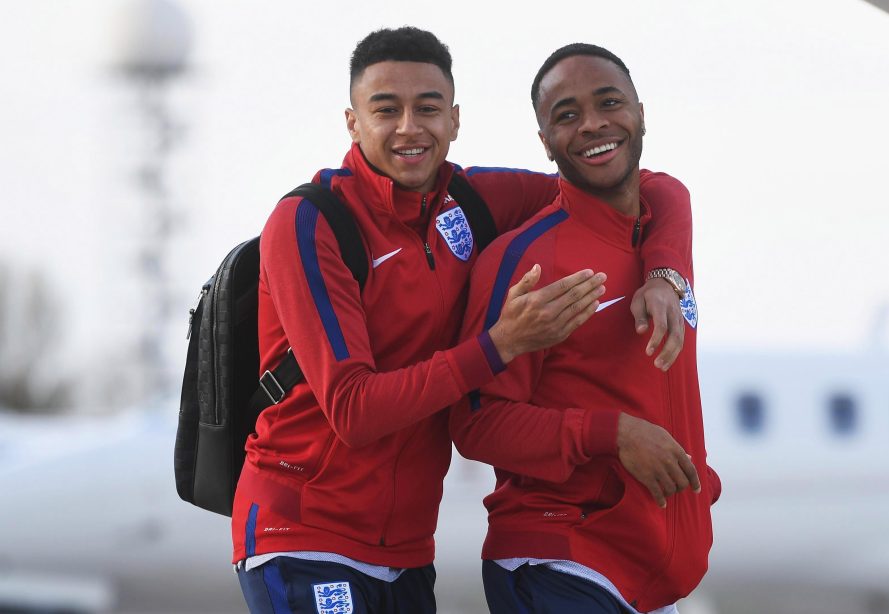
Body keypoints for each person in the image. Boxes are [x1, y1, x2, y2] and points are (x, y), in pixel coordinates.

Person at [232, 28, 694, 614]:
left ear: (454, 120)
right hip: (304, 533)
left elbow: (641, 183)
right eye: (385, 110)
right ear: (352, 123)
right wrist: (499, 345)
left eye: (427, 109)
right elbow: (354, 410)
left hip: (405, 550)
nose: (409, 128)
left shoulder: (471, 202)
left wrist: (665, 274)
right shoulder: (308, 222)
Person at [450, 43, 721, 614]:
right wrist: (614, 434)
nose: (593, 124)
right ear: (545, 141)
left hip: (646, 572)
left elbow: (669, 188)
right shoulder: (527, 261)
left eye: (609, 103)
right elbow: (477, 424)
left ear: (640, 113)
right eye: (566, 115)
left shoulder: (660, 241)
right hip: (561, 563)